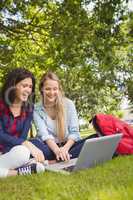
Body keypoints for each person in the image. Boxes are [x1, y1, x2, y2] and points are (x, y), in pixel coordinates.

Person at [33, 71, 97, 162]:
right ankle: (67, 157)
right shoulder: (36, 109)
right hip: (49, 148)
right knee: (34, 145)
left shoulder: (68, 104)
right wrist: (57, 151)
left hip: (69, 146)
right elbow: (45, 135)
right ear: (41, 89)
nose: (51, 92)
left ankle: (56, 160)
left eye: (55, 89)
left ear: (59, 90)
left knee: (95, 138)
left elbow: (74, 132)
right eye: (48, 89)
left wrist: (64, 149)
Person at [0, 68, 45, 178]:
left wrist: (26, 144)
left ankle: (14, 168)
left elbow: (22, 137)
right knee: (26, 148)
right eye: (24, 86)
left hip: (11, 152)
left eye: (30, 87)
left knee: (23, 152)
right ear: (13, 86)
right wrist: (26, 143)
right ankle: (20, 171)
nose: (28, 90)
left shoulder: (29, 108)